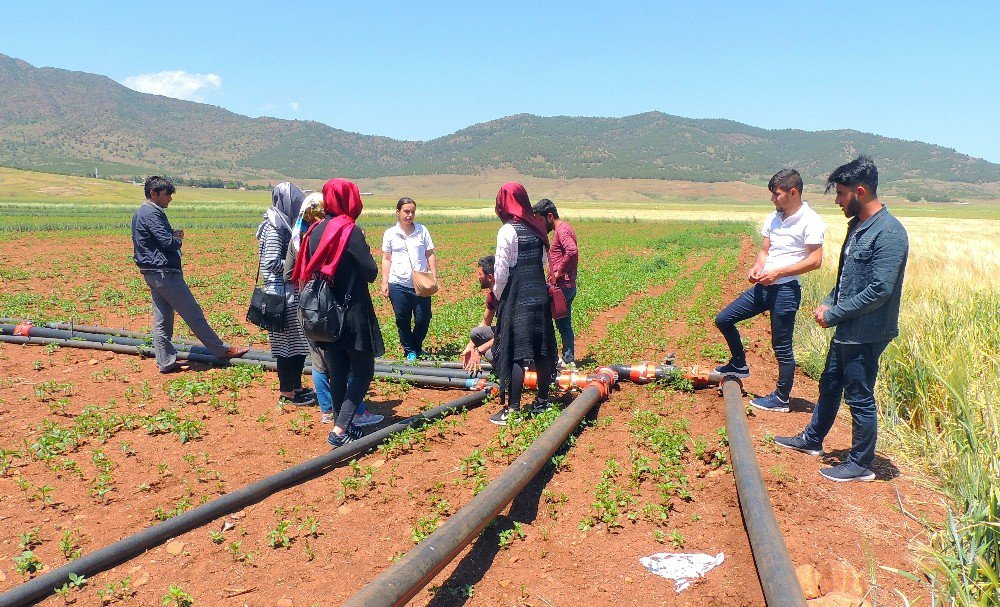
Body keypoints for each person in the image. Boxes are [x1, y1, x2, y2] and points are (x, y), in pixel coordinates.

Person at [776, 156, 909, 482]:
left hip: (868, 330)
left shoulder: (889, 233)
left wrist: (834, 313)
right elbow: (848, 279)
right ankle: (812, 439)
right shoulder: (857, 227)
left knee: (859, 393)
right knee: (831, 381)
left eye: (840, 194)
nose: (837, 201)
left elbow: (879, 290)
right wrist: (828, 303)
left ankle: (861, 464)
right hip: (849, 326)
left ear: (860, 191)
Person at [713, 169, 826, 411]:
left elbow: (816, 260)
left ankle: (781, 398)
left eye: (777, 194)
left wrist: (779, 272)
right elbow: (765, 251)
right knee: (724, 319)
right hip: (763, 288)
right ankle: (739, 363)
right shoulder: (774, 218)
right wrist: (757, 267)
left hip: (786, 290)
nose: (773, 199)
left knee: (781, 345)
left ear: (793, 192)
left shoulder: (811, 220)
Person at [293, 178, 385, 447]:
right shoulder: (350, 231)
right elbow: (370, 272)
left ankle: (340, 422)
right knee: (364, 369)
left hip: (324, 313)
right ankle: (341, 429)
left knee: (337, 371)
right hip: (353, 312)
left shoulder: (314, 229)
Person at [131, 176, 248, 372]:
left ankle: (165, 361)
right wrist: (177, 238)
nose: (170, 198)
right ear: (153, 194)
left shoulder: (140, 213)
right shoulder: (152, 213)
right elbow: (168, 243)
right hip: (165, 273)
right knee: (193, 313)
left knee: (162, 319)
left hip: (152, 273)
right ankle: (221, 351)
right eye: (167, 194)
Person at [489, 183, 558, 425]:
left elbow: (501, 270)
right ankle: (542, 401)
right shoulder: (538, 227)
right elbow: (542, 262)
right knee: (541, 347)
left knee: (516, 350)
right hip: (538, 291)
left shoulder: (508, 231)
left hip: (518, 294)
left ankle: (513, 410)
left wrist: (499, 295)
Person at [257, 182, 316, 406]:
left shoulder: (282, 223)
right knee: (285, 346)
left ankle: (296, 386)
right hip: (280, 295)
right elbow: (270, 262)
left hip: (289, 292)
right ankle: (287, 392)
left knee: (298, 343)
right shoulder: (273, 227)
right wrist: (298, 264)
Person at [381, 197, 437, 362]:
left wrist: (434, 275)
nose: (409, 215)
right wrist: (385, 282)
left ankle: (416, 344)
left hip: (421, 283)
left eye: (412, 212)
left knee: (423, 318)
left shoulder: (422, 230)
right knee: (402, 318)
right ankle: (410, 350)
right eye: (406, 211)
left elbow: (430, 253)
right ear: (398, 212)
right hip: (398, 283)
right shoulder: (390, 233)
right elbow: (386, 258)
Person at [532, 198, 579, 368]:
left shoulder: (562, 231)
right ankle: (567, 359)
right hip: (566, 286)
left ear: (550, 216)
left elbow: (572, 250)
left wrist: (559, 271)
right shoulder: (563, 229)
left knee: (547, 321)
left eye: (540, 220)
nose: (540, 224)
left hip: (562, 287)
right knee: (563, 323)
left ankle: (556, 359)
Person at [461, 255, 497, 372]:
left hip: (517, 336)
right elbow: (485, 322)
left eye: (480, 274)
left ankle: (516, 372)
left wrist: (479, 350)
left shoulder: (506, 296)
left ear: (490, 277)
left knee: (491, 354)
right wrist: (470, 346)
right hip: (504, 332)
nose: (478, 277)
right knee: (476, 333)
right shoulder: (492, 295)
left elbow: (505, 333)